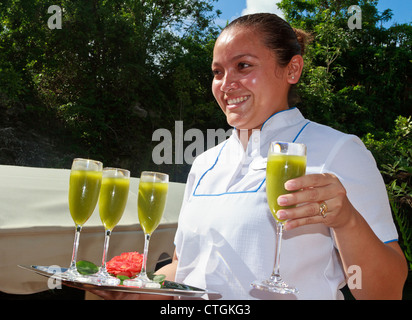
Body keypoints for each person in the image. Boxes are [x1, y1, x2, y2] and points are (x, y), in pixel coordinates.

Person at [93, 13, 407, 300]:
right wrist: (137, 289)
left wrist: (347, 220)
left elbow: (385, 293)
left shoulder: (339, 151)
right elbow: (187, 268)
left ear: (292, 69)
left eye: (243, 66)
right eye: (218, 71)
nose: (226, 84)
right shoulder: (204, 164)